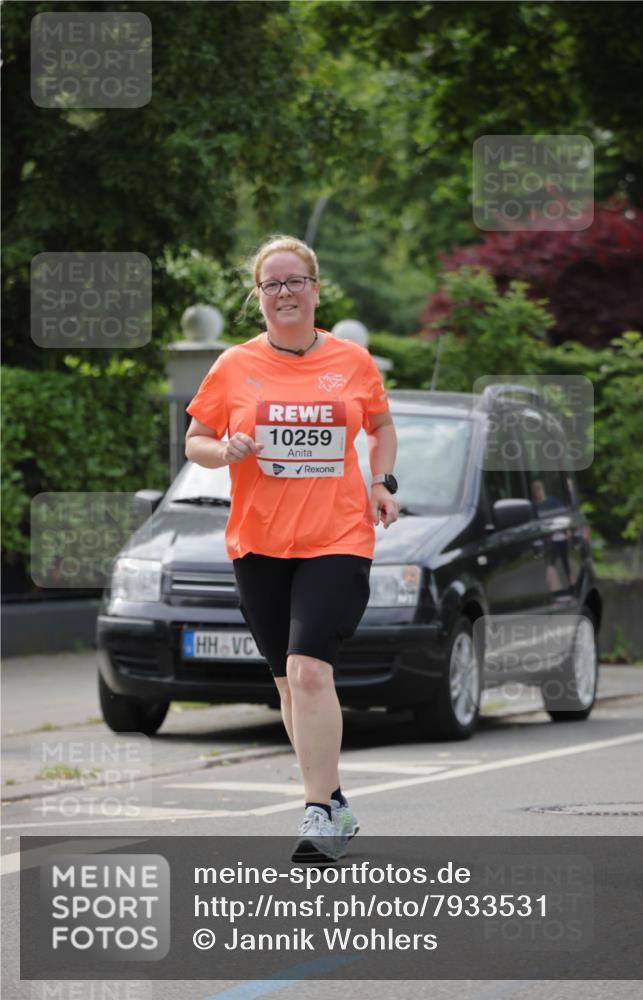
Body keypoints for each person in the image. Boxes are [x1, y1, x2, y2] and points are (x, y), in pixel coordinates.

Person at [184, 234, 399, 864]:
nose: (283, 293)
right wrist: (221, 451)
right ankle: (334, 803)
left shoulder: (353, 361)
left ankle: (314, 812)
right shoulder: (233, 365)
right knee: (287, 683)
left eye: (293, 281)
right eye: (271, 284)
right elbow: (195, 438)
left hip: (337, 535)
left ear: (314, 288)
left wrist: (383, 481)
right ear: (259, 297)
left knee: (309, 670)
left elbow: (381, 426)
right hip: (259, 541)